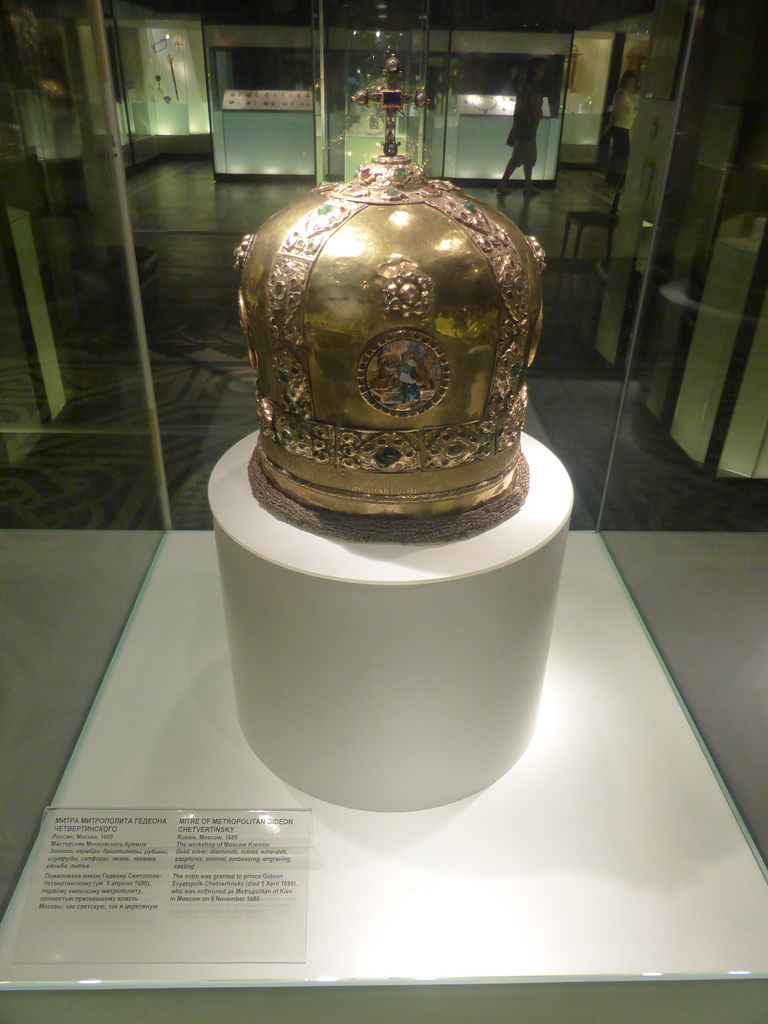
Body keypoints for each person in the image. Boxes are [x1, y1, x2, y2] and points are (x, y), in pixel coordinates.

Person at [497, 58, 546, 198]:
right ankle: (503, 183)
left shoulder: (524, 85)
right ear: (537, 70)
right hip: (528, 128)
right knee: (519, 157)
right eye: (542, 68)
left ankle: (528, 185)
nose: (544, 72)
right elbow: (535, 106)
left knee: (528, 158)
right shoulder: (533, 87)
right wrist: (539, 113)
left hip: (523, 126)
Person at [603, 69, 637, 186]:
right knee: (622, 152)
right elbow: (616, 111)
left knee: (619, 153)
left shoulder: (627, 95)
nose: (632, 83)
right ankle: (616, 177)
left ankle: (614, 177)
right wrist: (610, 124)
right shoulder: (621, 94)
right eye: (630, 80)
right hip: (620, 127)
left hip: (624, 127)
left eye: (634, 81)